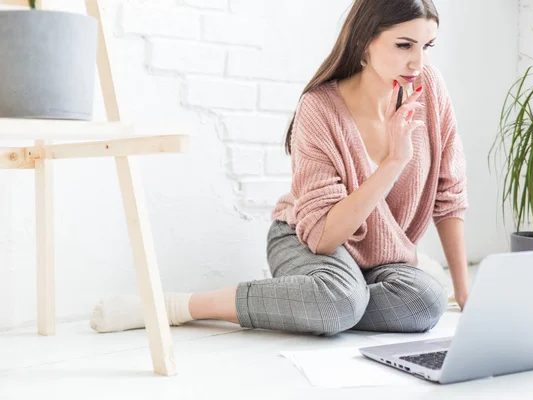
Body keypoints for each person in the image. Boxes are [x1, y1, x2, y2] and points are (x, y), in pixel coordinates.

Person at [90, 0, 469, 336]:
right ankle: (175, 306)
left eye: (427, 46)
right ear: (365, 42)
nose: (418, 63)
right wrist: (394, 162)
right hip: (305, 237)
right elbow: (323, 237)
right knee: (341, 299)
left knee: (426, 301)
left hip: (378, 256)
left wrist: (464, 291)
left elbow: (449, 194)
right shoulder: (319, 108)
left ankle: (313, 301)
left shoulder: (429, 89)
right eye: (404, 45)